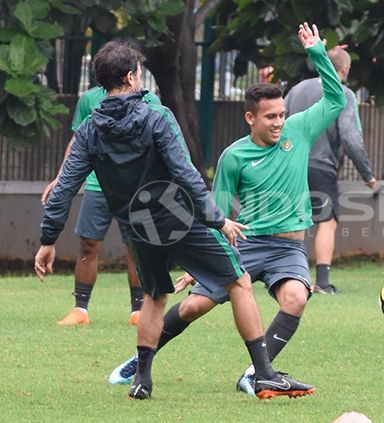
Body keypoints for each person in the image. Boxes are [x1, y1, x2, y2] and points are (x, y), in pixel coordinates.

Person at [34, 34, 316, 400]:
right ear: (133, 77)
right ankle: (263, 373)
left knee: (154, 296)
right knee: (239, 281)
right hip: (179, 219)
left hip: (138, 227)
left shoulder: (89, 130)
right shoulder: (157, 117)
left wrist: (47, 240)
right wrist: (217, 219)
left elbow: (65, 187)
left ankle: (142, 380)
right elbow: (186, 175)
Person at [107, 22, 345, 395]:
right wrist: (197, 259)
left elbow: (336, 100)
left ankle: (256, 373)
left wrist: (317, 53)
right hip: (246, 244)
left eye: (282, 114)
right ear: (251, 118)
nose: (279, 122)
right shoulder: (234, 156)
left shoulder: (299, 130)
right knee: (193, 307)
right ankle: (141, 360)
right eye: (270, 117)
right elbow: (216, 207)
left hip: (289, 247)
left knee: (297, 297)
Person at [40, 41, 157, 326]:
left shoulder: (151, 103)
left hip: (136, 188)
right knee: (88, 245)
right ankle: (80, 309)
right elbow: (77, 141)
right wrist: (60, 177)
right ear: (129, 74)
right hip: (96, 185)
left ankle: (138, 310)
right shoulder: (89, 101)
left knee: (137, 247)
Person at [284, 46, 377, 294]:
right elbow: (350, 137)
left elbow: (279, 124)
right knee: (327, 221)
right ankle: (322, 282)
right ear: (344, 69)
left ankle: (292, 276)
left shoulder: (297, 89)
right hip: (321, 165)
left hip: (291, 161)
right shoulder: (343, 93)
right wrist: (367, 174)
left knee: (296, 219)